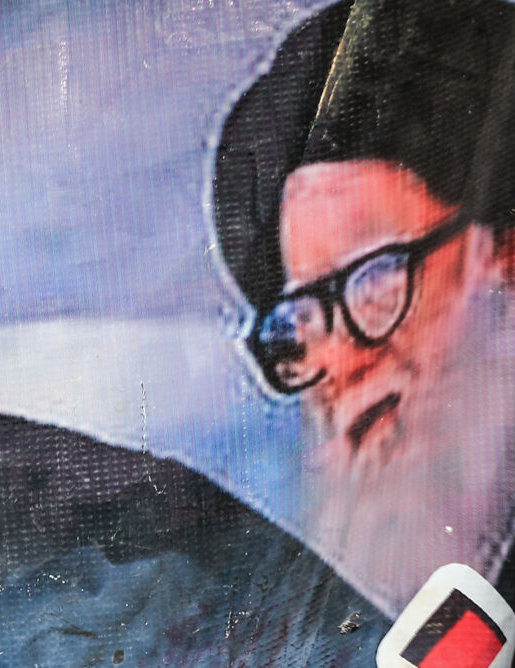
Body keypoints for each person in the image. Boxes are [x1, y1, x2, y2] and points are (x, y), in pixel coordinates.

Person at [213, 0, 515, 614]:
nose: (339, 364)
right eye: (295, 326)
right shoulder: (267, 625)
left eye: (376, 282)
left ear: (505, 258)